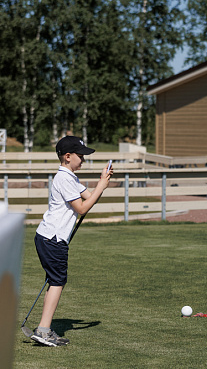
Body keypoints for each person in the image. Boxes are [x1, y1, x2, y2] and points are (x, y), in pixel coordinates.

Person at [31, 136, 113, 347]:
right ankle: (43, 330)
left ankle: (44, 329)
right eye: (81, 156)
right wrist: (101, 186)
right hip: (53, 239)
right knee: (57, 281)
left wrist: (101, 183)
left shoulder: (70, 177)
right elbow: (83, 208)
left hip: (49, 237)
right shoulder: (64, 179)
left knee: (56, 281)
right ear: (68, 157)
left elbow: (89, 197)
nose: (83, 160)